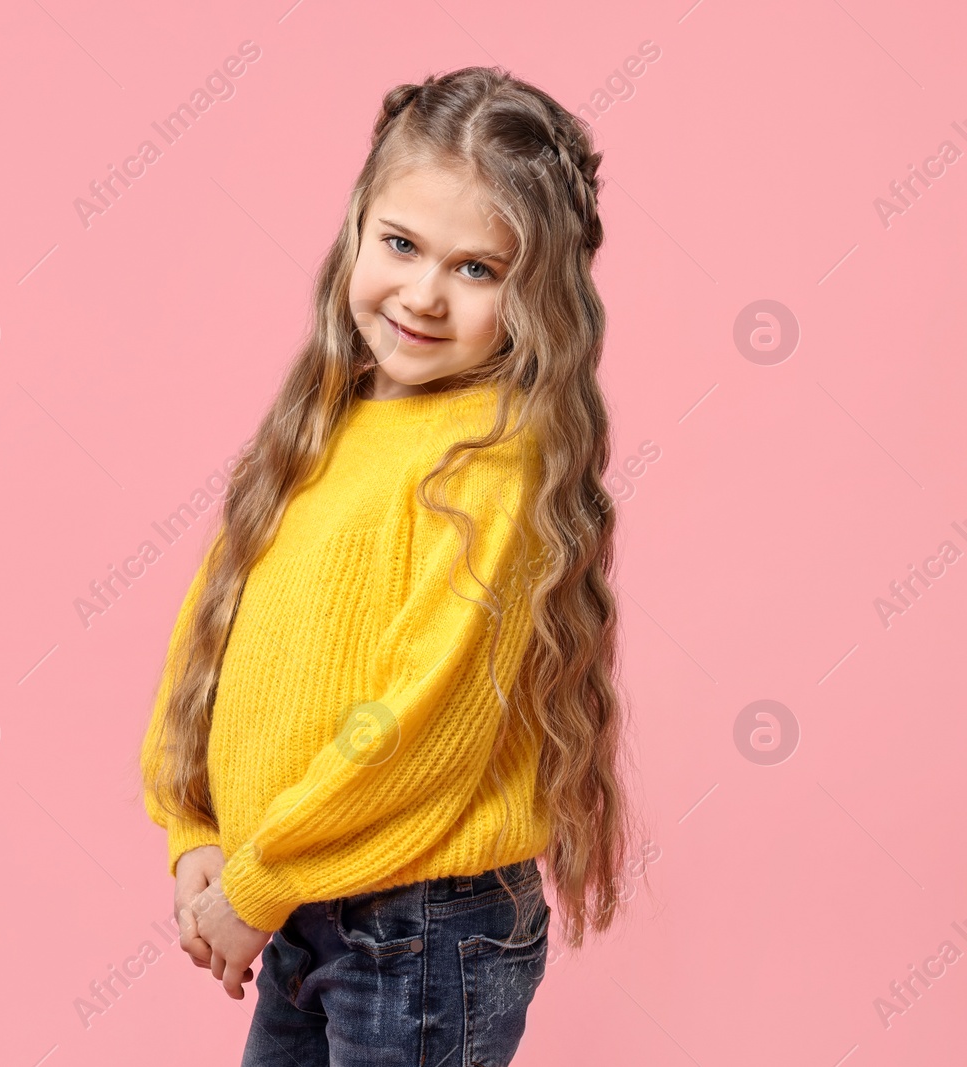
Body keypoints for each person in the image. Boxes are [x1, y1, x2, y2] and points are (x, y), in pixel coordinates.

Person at [137, 66, 646, 1066]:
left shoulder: (495, 467)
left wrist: (251, 883)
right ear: (356, 229)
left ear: (535, 292)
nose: (421, 293)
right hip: (297, 892)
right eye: (401, 244)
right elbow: (213, 638)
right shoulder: (322, 423)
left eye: (475, 269)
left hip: (419, 926)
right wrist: (190, 825)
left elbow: (415, 730)